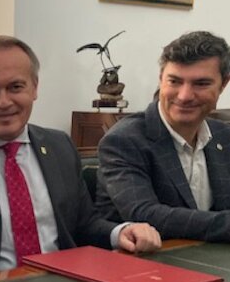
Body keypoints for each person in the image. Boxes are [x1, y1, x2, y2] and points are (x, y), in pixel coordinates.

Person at [0, 35, 161, 272]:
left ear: (34, 88)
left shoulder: (60, 146)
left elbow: (85, 225)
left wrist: (121, 232)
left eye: (15, 87)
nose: (4, 102)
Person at [96, 31, 230, 241]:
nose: (184, 96)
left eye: (201, 83)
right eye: (174, 81)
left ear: (223, 84)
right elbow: (145, 215)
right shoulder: (123, 140)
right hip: (144, 259)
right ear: (160, 79)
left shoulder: (224, 136)